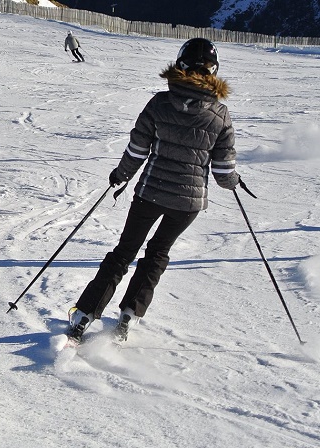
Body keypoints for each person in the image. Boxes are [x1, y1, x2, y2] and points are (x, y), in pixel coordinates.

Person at [67, 38, 240, 343]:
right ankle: (130, 313)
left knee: (124, 251)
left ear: (179, 66)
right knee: (158, 252)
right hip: (188, 203)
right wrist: (233, 181)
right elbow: (223, 171)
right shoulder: (220, 114)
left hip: (151, 192)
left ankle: (84, 313)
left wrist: (120, 175)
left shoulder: (159, 103)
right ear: (213, 72)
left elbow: (137, 150)